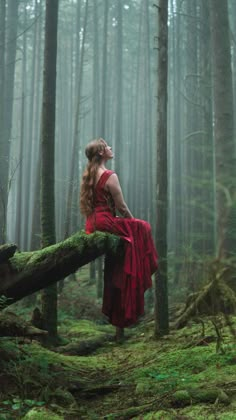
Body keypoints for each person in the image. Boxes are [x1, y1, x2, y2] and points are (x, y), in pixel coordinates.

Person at [80, 138, 158, 331]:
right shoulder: (109, 175)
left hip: (92, 224)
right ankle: (136, 282)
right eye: (107, 146)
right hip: (106, 222)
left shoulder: (89, 174)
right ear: (100, 153)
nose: (111, 148)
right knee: (143, 228)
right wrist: (133, 223)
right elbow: (122, 207)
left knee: (130, 241)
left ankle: (121, 300)